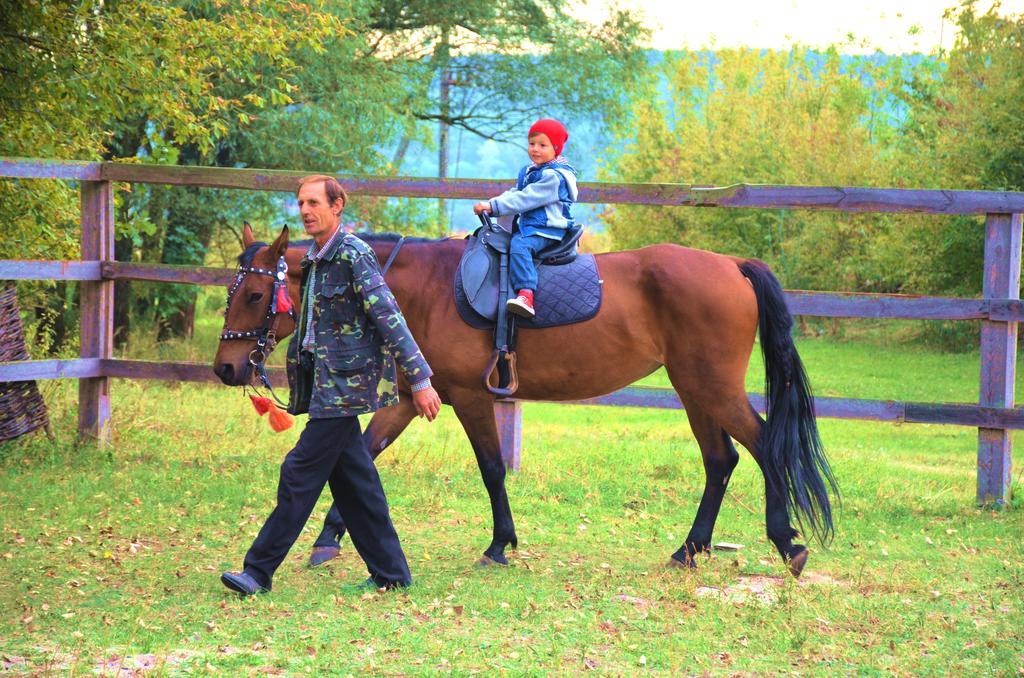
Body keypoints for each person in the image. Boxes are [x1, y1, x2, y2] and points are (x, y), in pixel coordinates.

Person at [221, 174, 441, 596]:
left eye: (313, 203)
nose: (305, 211)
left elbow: (388, 316)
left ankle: (258, 571)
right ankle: (392, 574)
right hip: (325, 386)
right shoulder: (317, 259)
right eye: (301, 203)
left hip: (347, 388)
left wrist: (421, 377)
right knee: (357, 484)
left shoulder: (353, 254)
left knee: (299, 471)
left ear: (337, 206)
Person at [473, 118, 578, 319]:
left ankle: (526, 293)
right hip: (533, 226)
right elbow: (515, 193)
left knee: (520, 245)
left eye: (543, 145)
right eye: (532, 144)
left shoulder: (554, 177)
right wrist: (492, 203)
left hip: (548, 228)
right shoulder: (532, 171)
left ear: (556, 149)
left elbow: (526, 199)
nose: (535, 149)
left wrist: (494, 207)